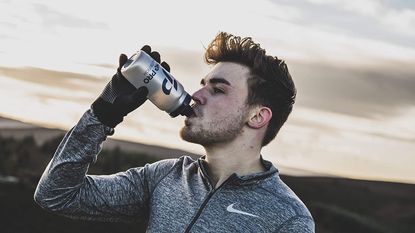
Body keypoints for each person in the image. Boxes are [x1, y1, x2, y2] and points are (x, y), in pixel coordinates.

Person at [34, 32, 315, 232]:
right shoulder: (165, 177)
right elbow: (56, 195)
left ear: (257, 116)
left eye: (217, 89)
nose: (196, 95)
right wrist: (104, 112)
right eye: (202, 84)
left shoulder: (287, 218)